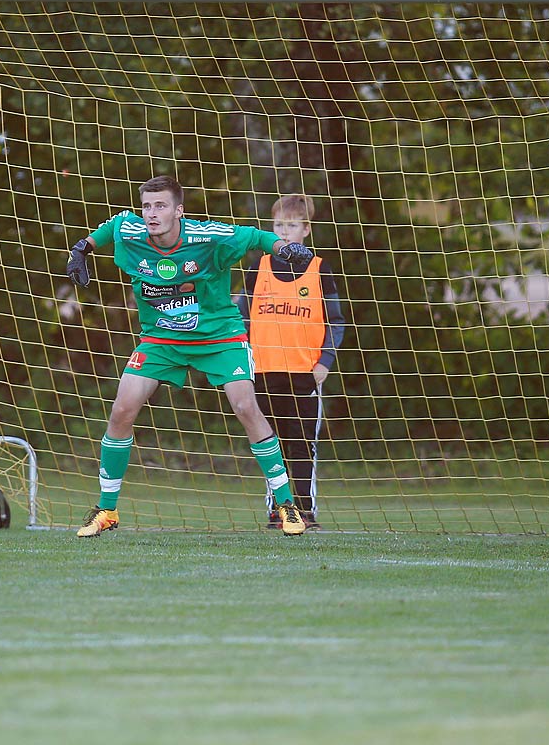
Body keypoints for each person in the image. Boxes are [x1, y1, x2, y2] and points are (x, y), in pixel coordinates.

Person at [65, 176, 317, 538]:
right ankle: (106, 510)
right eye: (147, 206)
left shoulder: (209, 237)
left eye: (161, 205)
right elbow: (112, 226)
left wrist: (283, 248)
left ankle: (286, 505)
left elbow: (255, 237)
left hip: (219, 336)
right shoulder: (131, 230)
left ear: (179, 210)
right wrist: (81, 249)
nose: (152, 214)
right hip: (161, 339)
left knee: (246, 407)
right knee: (122, 409)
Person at [240, 193, 344, 529]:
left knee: (302, 446)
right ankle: (278, 509)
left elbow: (336, 320)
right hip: (264, 372)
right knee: (270, 445)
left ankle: (305, 509)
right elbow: (240, 316)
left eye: (291, 225)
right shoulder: (259, 268)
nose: (284, 232)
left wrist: (325, 361)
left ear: (306, 229)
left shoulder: (319, 268)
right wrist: (243, 359)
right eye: (278, 225)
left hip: (304, 374)